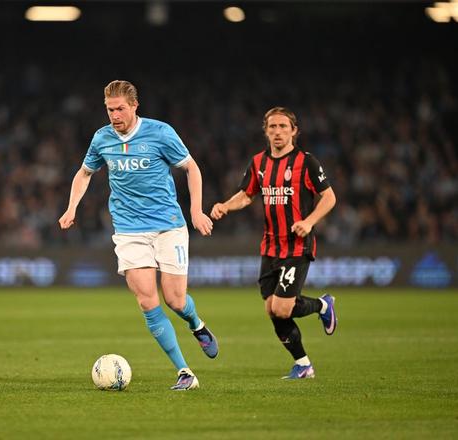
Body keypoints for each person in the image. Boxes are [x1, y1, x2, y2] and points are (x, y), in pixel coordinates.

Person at [59, 80, 218, 390]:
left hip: (168, 226)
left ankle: (196, 324)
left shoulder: (160, 133)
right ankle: (184, 372)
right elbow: (85, 173)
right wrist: (71, 207)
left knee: (175, 300)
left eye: (120, 109)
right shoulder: (102, 138)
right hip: (129, 230)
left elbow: (192, 168)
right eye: (109, 109)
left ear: (134, 106)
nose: (114, 115)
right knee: (147, 300)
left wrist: (197, 211)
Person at [211, 107, 337, 379]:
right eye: (272, 127)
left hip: (297, 246)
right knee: (271, 308)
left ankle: (323, 305)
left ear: (294, 131)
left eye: (283, 126)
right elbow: (247, 195)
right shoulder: (259, 162)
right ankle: (303, 364)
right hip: (270, 246)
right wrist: (225, 205)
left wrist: (309, 222)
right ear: (265, 131)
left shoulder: (306, 162)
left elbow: (329, 197)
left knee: (282, 307)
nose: (278, 132)